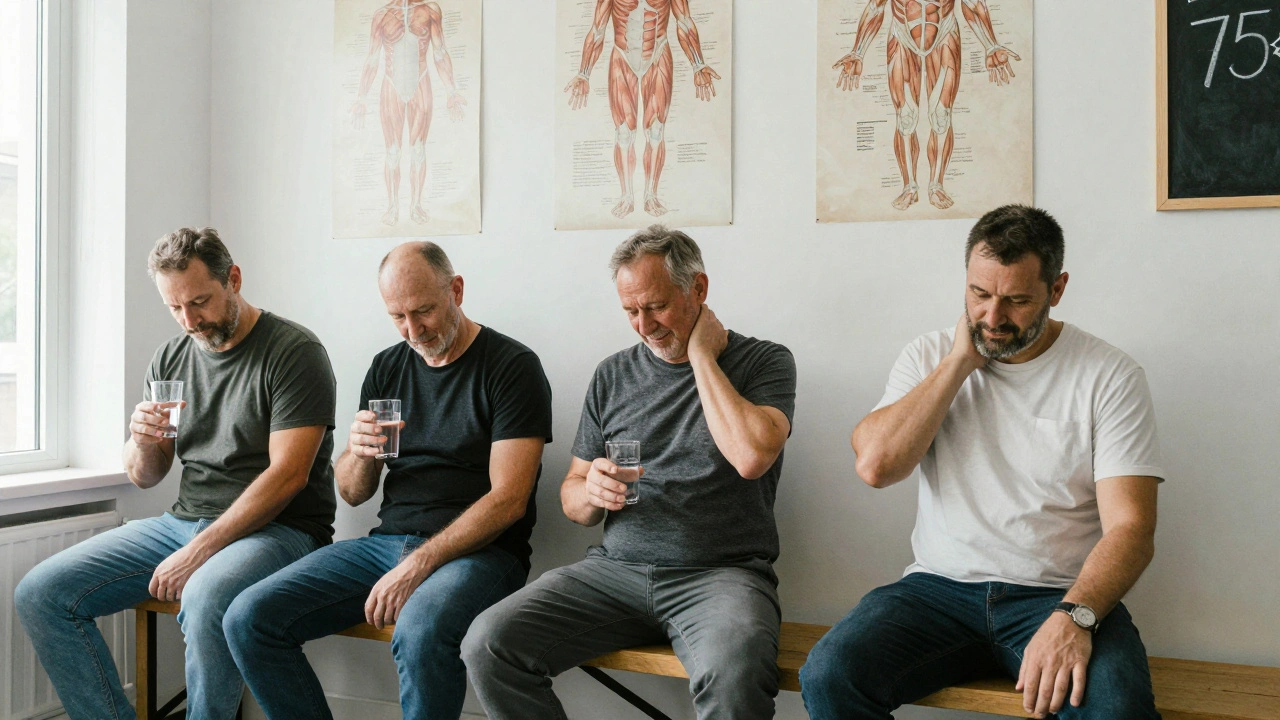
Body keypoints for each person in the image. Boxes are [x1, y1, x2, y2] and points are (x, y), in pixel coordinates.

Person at [801, 205, 1164, 719]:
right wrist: (957, 364)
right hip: (936, 591)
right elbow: (876, 467)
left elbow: (1132, 528)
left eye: (1017, 300)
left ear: (1057, 290)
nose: (993, 318)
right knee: (829, 675)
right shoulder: (928, 356)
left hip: (1057, 595)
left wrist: (1075, 617)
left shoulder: (1109, 375)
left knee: (1116, 708)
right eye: (979, 294)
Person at [463, 225, 797, 720]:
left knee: (735, 672)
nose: (644, 325)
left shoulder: (764, 361)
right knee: (488, 643)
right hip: (613, 572)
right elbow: (574, 501)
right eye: (630, 311)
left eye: (656, 306)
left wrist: (701, 355)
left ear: (699, 289)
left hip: (720, 577)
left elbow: (752, 458)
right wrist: (591, 491)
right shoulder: (612, 374)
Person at [15, 227, 337, 720]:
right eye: (175, 307)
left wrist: (199, 551)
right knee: (41, 594)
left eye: (200, 302)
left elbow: (289, 476)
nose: (190, 320)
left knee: (206, 596)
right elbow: (146, 476)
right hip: (184, 523)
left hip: (281, 529)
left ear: (233, 279)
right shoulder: (171, 357)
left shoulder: (294, 351)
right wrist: (142, 440)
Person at [225, 242, 553, 720]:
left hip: (483, 554)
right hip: (387, 544)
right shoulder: (387, 366)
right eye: (398, 316)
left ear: (456, 290)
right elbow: (353, 491)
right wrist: (359, 453)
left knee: (419, 631)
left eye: (424, 311)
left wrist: (418, 564)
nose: (413, 330)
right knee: (247, 618)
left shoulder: (511, 366)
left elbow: (509, 500)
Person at [832, 0, 1020, 210]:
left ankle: (936, 185)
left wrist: (991, 44)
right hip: (902, 33)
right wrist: (858, 51)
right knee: (905, 117)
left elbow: (973, 3)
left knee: (941, 115)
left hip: (944, 32)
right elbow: (876, 6)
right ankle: (909, 187)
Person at [565, 0, 721, 218]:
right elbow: (598, 30)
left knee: (656, 132)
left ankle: (650, 196)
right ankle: (626, 196)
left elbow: (684, 22)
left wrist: (698, 64)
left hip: (658, 53)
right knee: (623, 133)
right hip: (622, 56)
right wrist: (584, 73)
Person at [352, 0, 465, 225]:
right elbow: (373, 57)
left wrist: (451, 91)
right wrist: (361, 97)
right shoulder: (382, 14)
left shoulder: (430, 10)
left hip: (420, 84)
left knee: (418, 150)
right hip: (391, 86)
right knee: (393, 152)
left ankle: (415, 205)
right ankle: (393, 206)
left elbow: (440, 52)